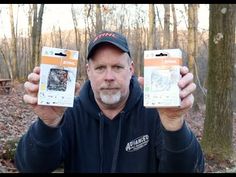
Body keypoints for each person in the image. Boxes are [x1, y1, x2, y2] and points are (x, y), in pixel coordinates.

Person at [15, 30, 205, 173]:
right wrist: (48, 124)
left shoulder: (156, 112)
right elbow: (30, 167)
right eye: (100, 68)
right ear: (88, 71)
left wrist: (173, 125)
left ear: (131, 69)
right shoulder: (68, 113)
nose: (109, 76)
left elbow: (191, 168)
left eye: (117, 67)